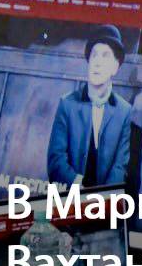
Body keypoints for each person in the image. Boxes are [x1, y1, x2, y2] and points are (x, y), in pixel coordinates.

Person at [47, 24, 133, 189]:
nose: (97, 63)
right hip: (69, 198)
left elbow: (120, 166)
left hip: (104, 201)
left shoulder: (124, 111)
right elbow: (56, 161)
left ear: (115, 67)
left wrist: (102, 197)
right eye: (94, 55)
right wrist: (79, 187)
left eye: (105, 56)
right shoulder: (67, 104)